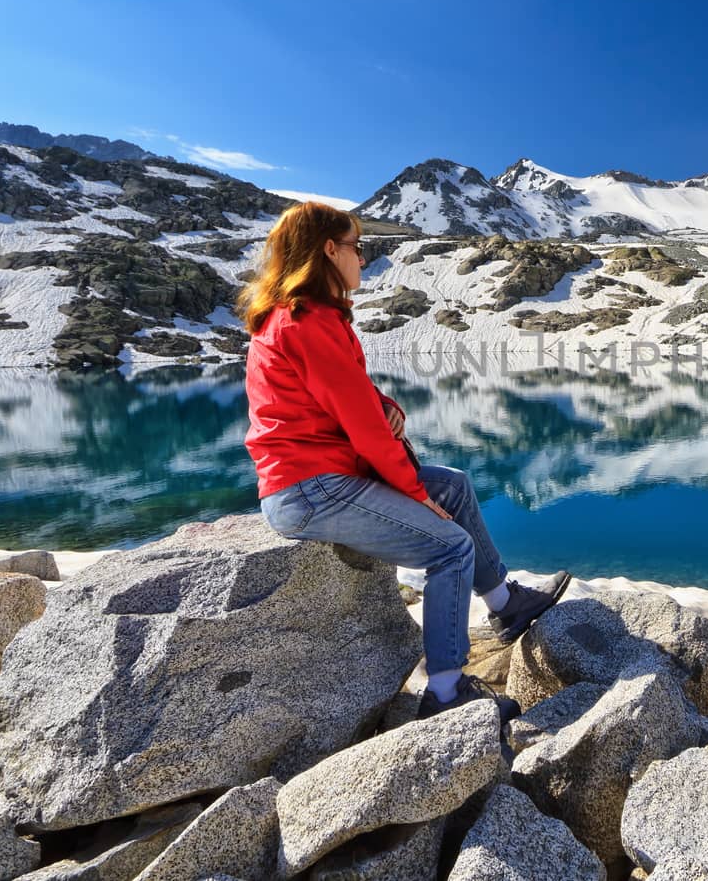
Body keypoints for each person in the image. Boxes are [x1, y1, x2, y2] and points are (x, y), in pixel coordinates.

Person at [237, 200, 569, 720]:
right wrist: (415, 496)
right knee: (449, 547)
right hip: (310, 489)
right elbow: (366, 432)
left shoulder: (311, 318)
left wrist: (387, 404)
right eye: (356, 247)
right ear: (329, 250)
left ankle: (506, 605)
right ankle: (444, 692)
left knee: (453, 486)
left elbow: (350, 400)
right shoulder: (304, 323)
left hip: (325, 479)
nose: (362, 259)